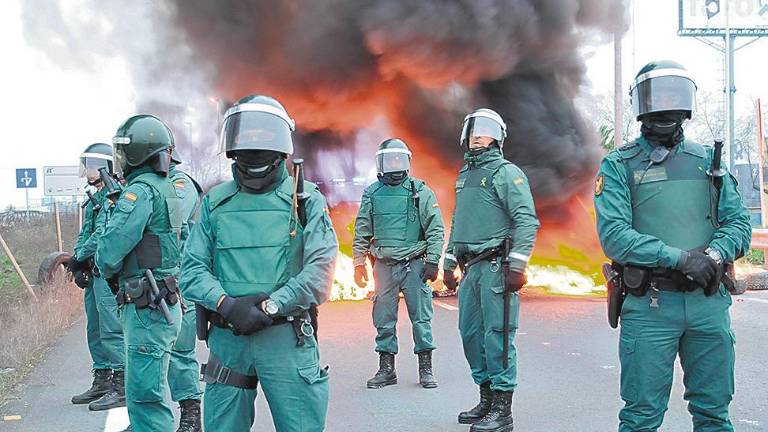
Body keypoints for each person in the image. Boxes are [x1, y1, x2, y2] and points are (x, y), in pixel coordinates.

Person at [594, 60, 752, 432]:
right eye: (657, 94)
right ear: (642, 105)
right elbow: (615, 236)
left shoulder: (706, 163)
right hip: (651, 304)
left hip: (707, 303)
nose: (665, 103)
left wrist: (713, 255)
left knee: (714, 414)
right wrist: (681, 259)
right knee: (641, 417)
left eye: (672, 93)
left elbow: (739, 224)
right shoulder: (620, 165)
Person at [180, 94, 338, 432]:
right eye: (246, 139)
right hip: (229, 339)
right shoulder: (215, 203)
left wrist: (269, 306)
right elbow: (191, 269)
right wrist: (227, 304)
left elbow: (320, 272)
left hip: (285, 337)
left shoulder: (305, 200)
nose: (254, 148)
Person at [443, 108, 540, 432]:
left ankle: (503, 410)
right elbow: (458, 219)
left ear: (498, 136)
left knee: (497, 337)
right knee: (470, 335)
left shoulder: (505, 172)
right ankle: (485, 398)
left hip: (497, 266)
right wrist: (448, 260)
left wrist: (518, 263)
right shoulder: (464, 176)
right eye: (473, 130)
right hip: (471, 269)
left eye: (484, 130)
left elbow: (526, 219)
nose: (477, 136)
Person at [96, 115, 183, 432]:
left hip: (147, 307)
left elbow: (108, 253)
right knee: (148, 389)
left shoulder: (139, 193)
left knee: (147, 400)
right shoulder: (164, 186)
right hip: (159, 300)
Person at [352, 138, 445, 389]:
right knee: (383, 319)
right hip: (383, 265)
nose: (394, 165)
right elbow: (362, 229)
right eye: (389, 159)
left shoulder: (419, 191)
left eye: (398, 159)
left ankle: (426, 369)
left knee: (421, 319)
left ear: (407, 162)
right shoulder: (372, 193)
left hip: (414, 264)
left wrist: (433, 261)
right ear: (380, 163)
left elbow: (436, 229)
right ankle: (386, 369)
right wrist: (359, 263)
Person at [69, 143, 125, 411]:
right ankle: (102, 379)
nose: (87, 170)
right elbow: (85, 232)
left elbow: (103, 233)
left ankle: (121, 384)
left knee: (111, 328)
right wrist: (77, 259)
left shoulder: (112, 195)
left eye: (91, 164)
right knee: (94, 328)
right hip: (92, 273)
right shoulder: (93, 196)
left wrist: (80, 256)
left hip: (106, 271)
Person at [167, 146, 203, 432]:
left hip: (177, 281)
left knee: (180, 352)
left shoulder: (180, 184)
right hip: (144, 281)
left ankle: (191, 414)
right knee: (142, 354)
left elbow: (172, 216)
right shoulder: (137, 188)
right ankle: (144, 417)